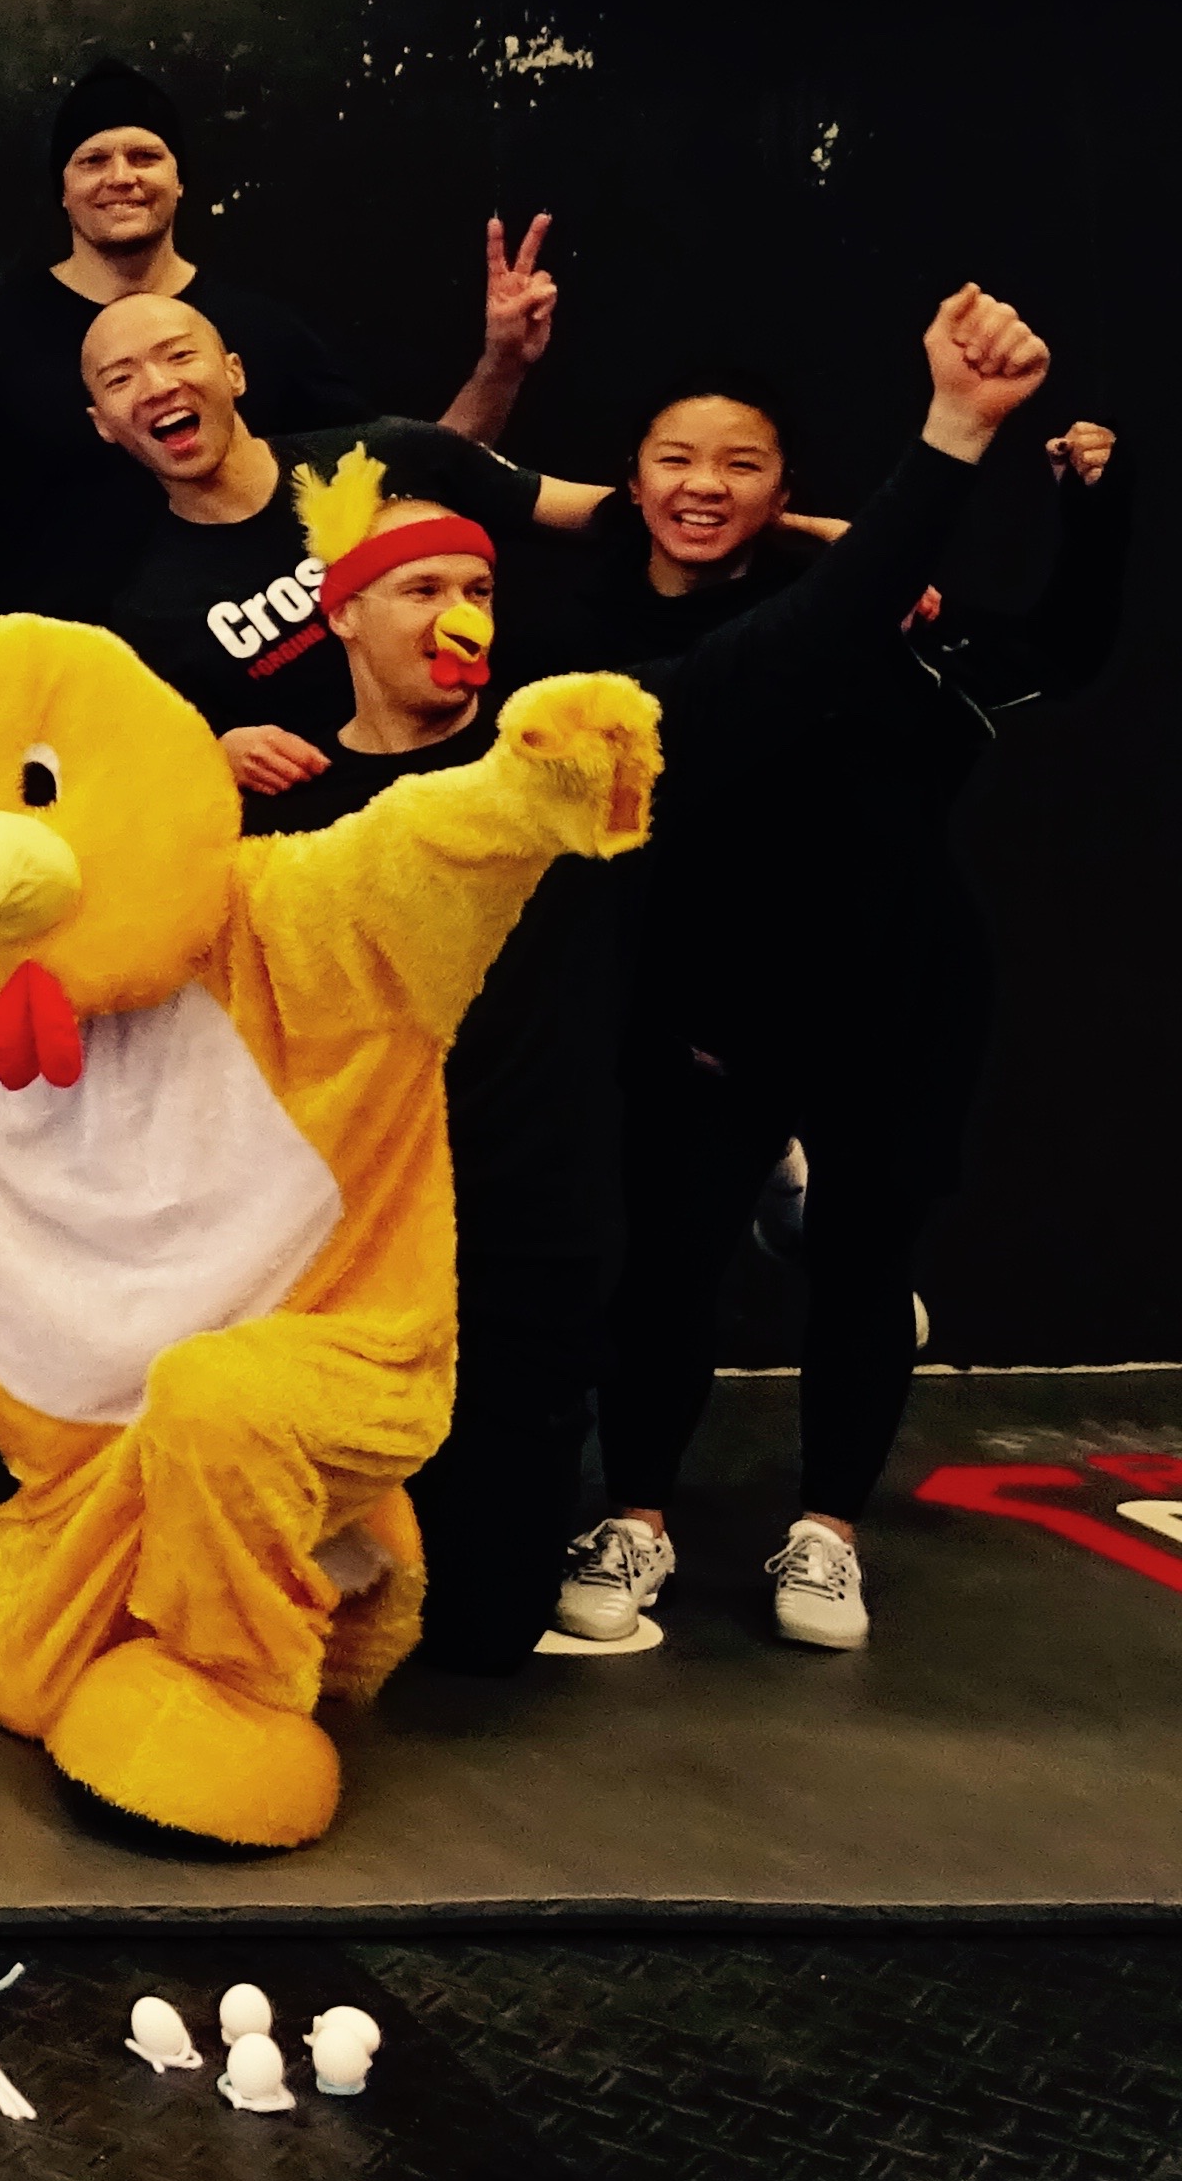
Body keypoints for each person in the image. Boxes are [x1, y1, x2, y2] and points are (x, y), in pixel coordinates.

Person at [553, 331, 1107, 1655]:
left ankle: (829, 1531)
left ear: (785, 485)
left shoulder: (886, 616)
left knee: (866, 1265)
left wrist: (1100, 511)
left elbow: (1060, 648)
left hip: (896, 1001)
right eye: (676, 459)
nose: (705, 484)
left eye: (742, 465)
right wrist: (875, 517)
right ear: (632, 479)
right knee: (667, 1268)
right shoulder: (601, 639)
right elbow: (782, 643)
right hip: (706, 1017)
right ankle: (636, 1516)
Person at [197, 456, 628, 1676]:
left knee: (481, 1635)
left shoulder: (544, 774)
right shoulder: (280, 794)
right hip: (338, 1249)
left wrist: (946, 449)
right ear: (340, 613)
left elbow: (763, 656)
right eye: (422, 588)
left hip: (520, 1226)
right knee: (309, 1619)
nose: (459, 613)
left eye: (478, 587)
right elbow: (93, 907)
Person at [0, 59, 559, 612]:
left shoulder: (264, 331)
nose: (121, 177)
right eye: (93, 160)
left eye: (145, 156)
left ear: (180, 181)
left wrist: (501, 365)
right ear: (63, 190)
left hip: (248, 687)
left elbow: (408, 480)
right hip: (54, 693)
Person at [71, 290, 623, 780]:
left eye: (179, 355)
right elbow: (146, 773)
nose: (159, 386)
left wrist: (672, 478)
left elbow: (597, 513)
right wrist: (215, 758)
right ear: (102, 424)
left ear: (234, 373)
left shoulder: (388, 454)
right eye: (120, 379)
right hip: (355, 832)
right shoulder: (151, 614)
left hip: (515, 767)